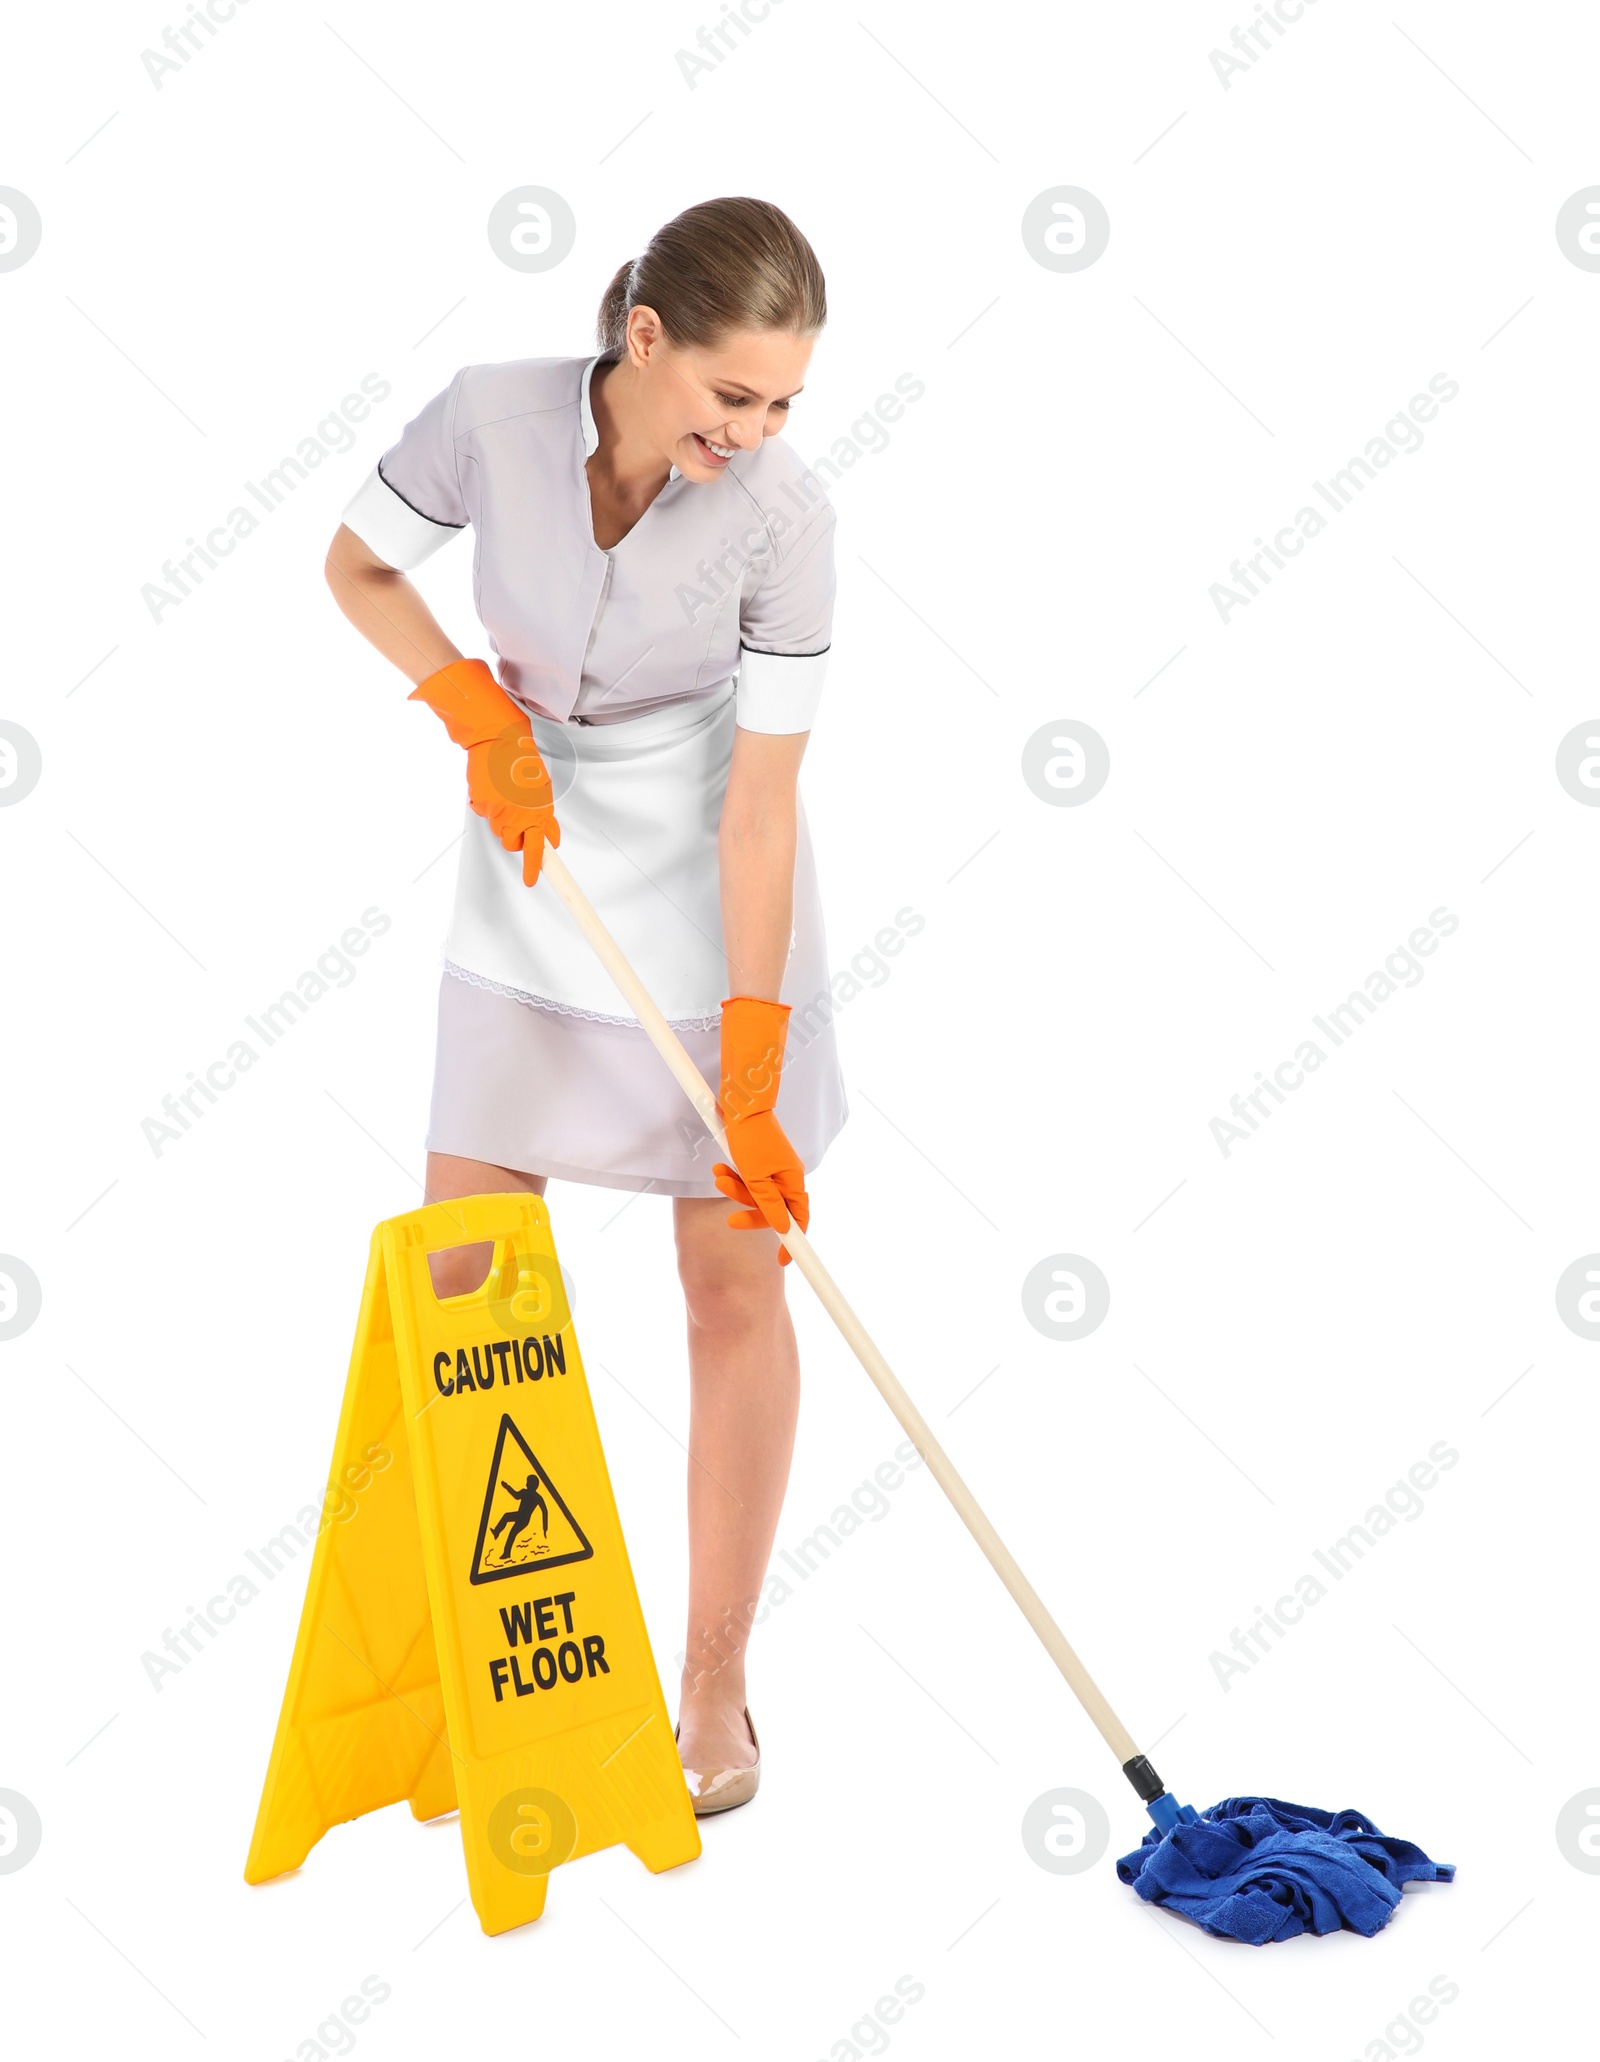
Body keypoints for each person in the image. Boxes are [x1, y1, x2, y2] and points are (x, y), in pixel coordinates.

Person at [324, 196, 845, 1816]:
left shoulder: (786, 514)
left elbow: (759, 811)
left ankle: (714, 1674)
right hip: (530, 844)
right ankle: (491, 1661)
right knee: (467, 1274)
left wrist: (750, 1053)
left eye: (779, 406)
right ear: (645, 340)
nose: (751, 433)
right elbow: (355, 564)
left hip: (707, 881)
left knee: (729, 1281)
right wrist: (470, 706)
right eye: (730, 397)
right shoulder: (491, 415)